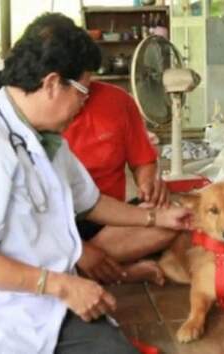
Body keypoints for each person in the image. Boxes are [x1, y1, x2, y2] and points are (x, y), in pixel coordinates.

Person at [0, 13, 190, 354]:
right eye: (82, 92)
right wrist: (62, 286)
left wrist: (157, 218)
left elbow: (90, 203)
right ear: (51, 83)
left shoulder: (43, 139)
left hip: (43, 305)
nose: (84, 103)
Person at [63, 81, 176, 286]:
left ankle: (83, 266)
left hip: (109, 218)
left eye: (87, 81)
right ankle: (116, 271)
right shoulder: (43, 118)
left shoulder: (118, 100)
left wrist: (149, 184)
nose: (84, 95)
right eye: (78, 89)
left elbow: (143, 160)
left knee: (172, 218)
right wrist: (76, 247)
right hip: (56, 224)